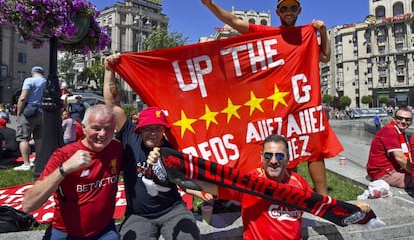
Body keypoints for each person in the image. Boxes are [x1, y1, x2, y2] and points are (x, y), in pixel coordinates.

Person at [197, 0, 331, 195]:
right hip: (276, 102)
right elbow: (235, 21)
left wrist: (322, 31)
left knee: (314, 146)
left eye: (293, 8)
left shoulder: (307, 33)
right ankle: (287, 192)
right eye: (284, 8)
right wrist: (210, 4)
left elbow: (325, 57)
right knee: (285, 147)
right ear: (278, 12)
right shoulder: (268, 33)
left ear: (299, 10)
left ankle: (323, 198)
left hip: (303, 100)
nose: (289, 11)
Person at [147, 134, 371, 240]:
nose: (274, 160)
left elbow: (320, 206)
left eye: (279, 155)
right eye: (269, 155)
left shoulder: (298, 183)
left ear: (287, 158)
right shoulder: (248, 183)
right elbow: (206, 184)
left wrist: (356, 209)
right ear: (261, 157)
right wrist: (166, 165)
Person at [104, 55, 200, 240]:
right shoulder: (129, 135)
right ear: (140, 129)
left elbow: (187, 178)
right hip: (138, 215)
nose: (153, 133)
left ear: (164, 130)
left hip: (173, 210)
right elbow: (112, 105)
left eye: (157, 128)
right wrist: (109, 70)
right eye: (148, 129)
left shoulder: (174, 145)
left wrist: (202, 190)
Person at [22, 104, 123, 240]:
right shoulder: (64, 155)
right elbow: (29, 205)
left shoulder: (117, 149)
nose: (102, 134)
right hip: (66, 232)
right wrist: (64, 169)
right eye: (96, 128)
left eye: (108, 128)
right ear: (84, 128)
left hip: (103, 230)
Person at [367, 107, 414, 188]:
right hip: (384, 173)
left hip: (391, 171)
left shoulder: (401, 133)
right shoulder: (389, 130)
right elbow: (400, 158)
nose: (403, 122)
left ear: (411, 122)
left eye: (407, 119)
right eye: (400, 118)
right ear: (394, 119)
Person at [14, 66, 46, 171]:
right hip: (42, 112)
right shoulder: (47, 82)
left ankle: (26, 164)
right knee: (39, 138)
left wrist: (18, 112)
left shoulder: (29, 80)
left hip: (29, 112)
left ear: (32, 72)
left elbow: (23, 98)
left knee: (23, 138)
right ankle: (38, 160)